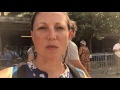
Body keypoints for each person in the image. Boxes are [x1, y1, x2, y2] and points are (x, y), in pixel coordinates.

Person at [0, 12, 87, 78]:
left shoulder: (80, 75)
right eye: (42, 28)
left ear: (69, 35)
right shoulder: (7, 75)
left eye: (59, 28)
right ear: (33, 36)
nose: (52, 36)